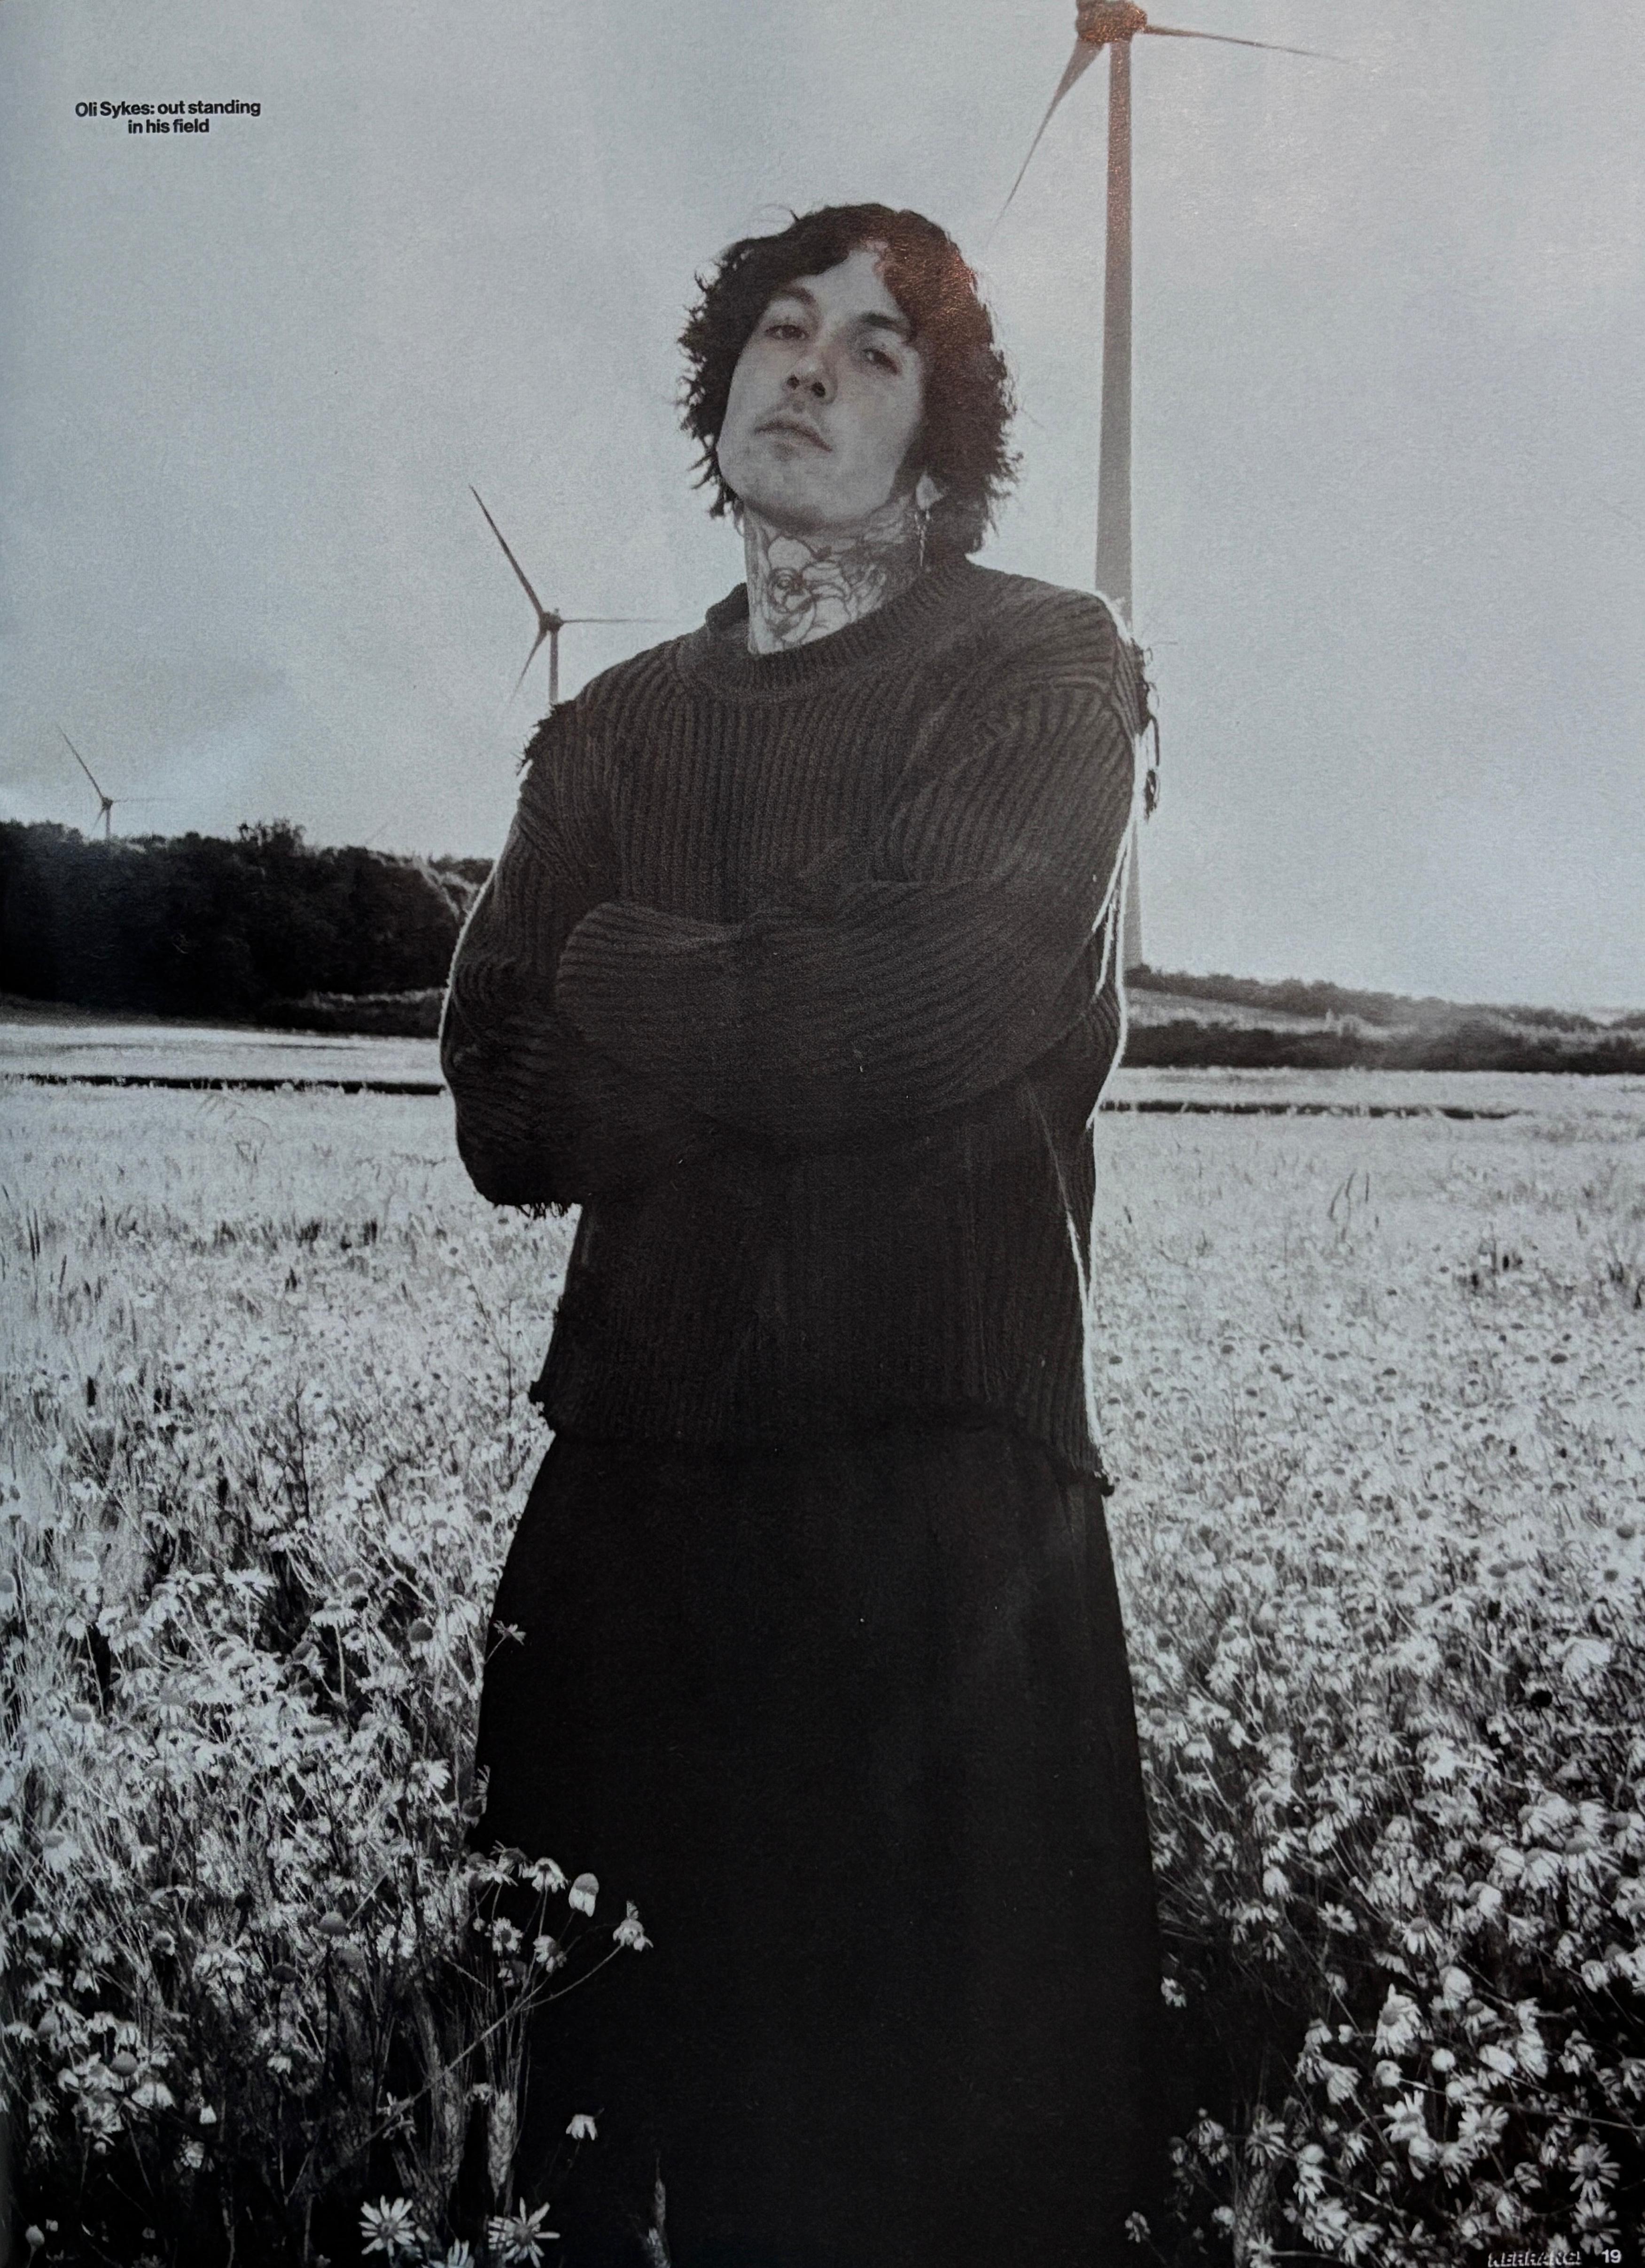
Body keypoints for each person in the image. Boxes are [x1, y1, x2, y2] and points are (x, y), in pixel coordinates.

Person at [442, 202, 1162, 2268]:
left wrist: (618, 964)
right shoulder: (609, 723)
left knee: (917, 2168)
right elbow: (502, 1106)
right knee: (588, 2146)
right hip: (626, 1514)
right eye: (783, 327)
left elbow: (939, 994)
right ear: (721, 379)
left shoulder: (1048, 665)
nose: (810, 368)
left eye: (876, 349)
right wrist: (806, 1026)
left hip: (934, 1524)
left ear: (945, 442)